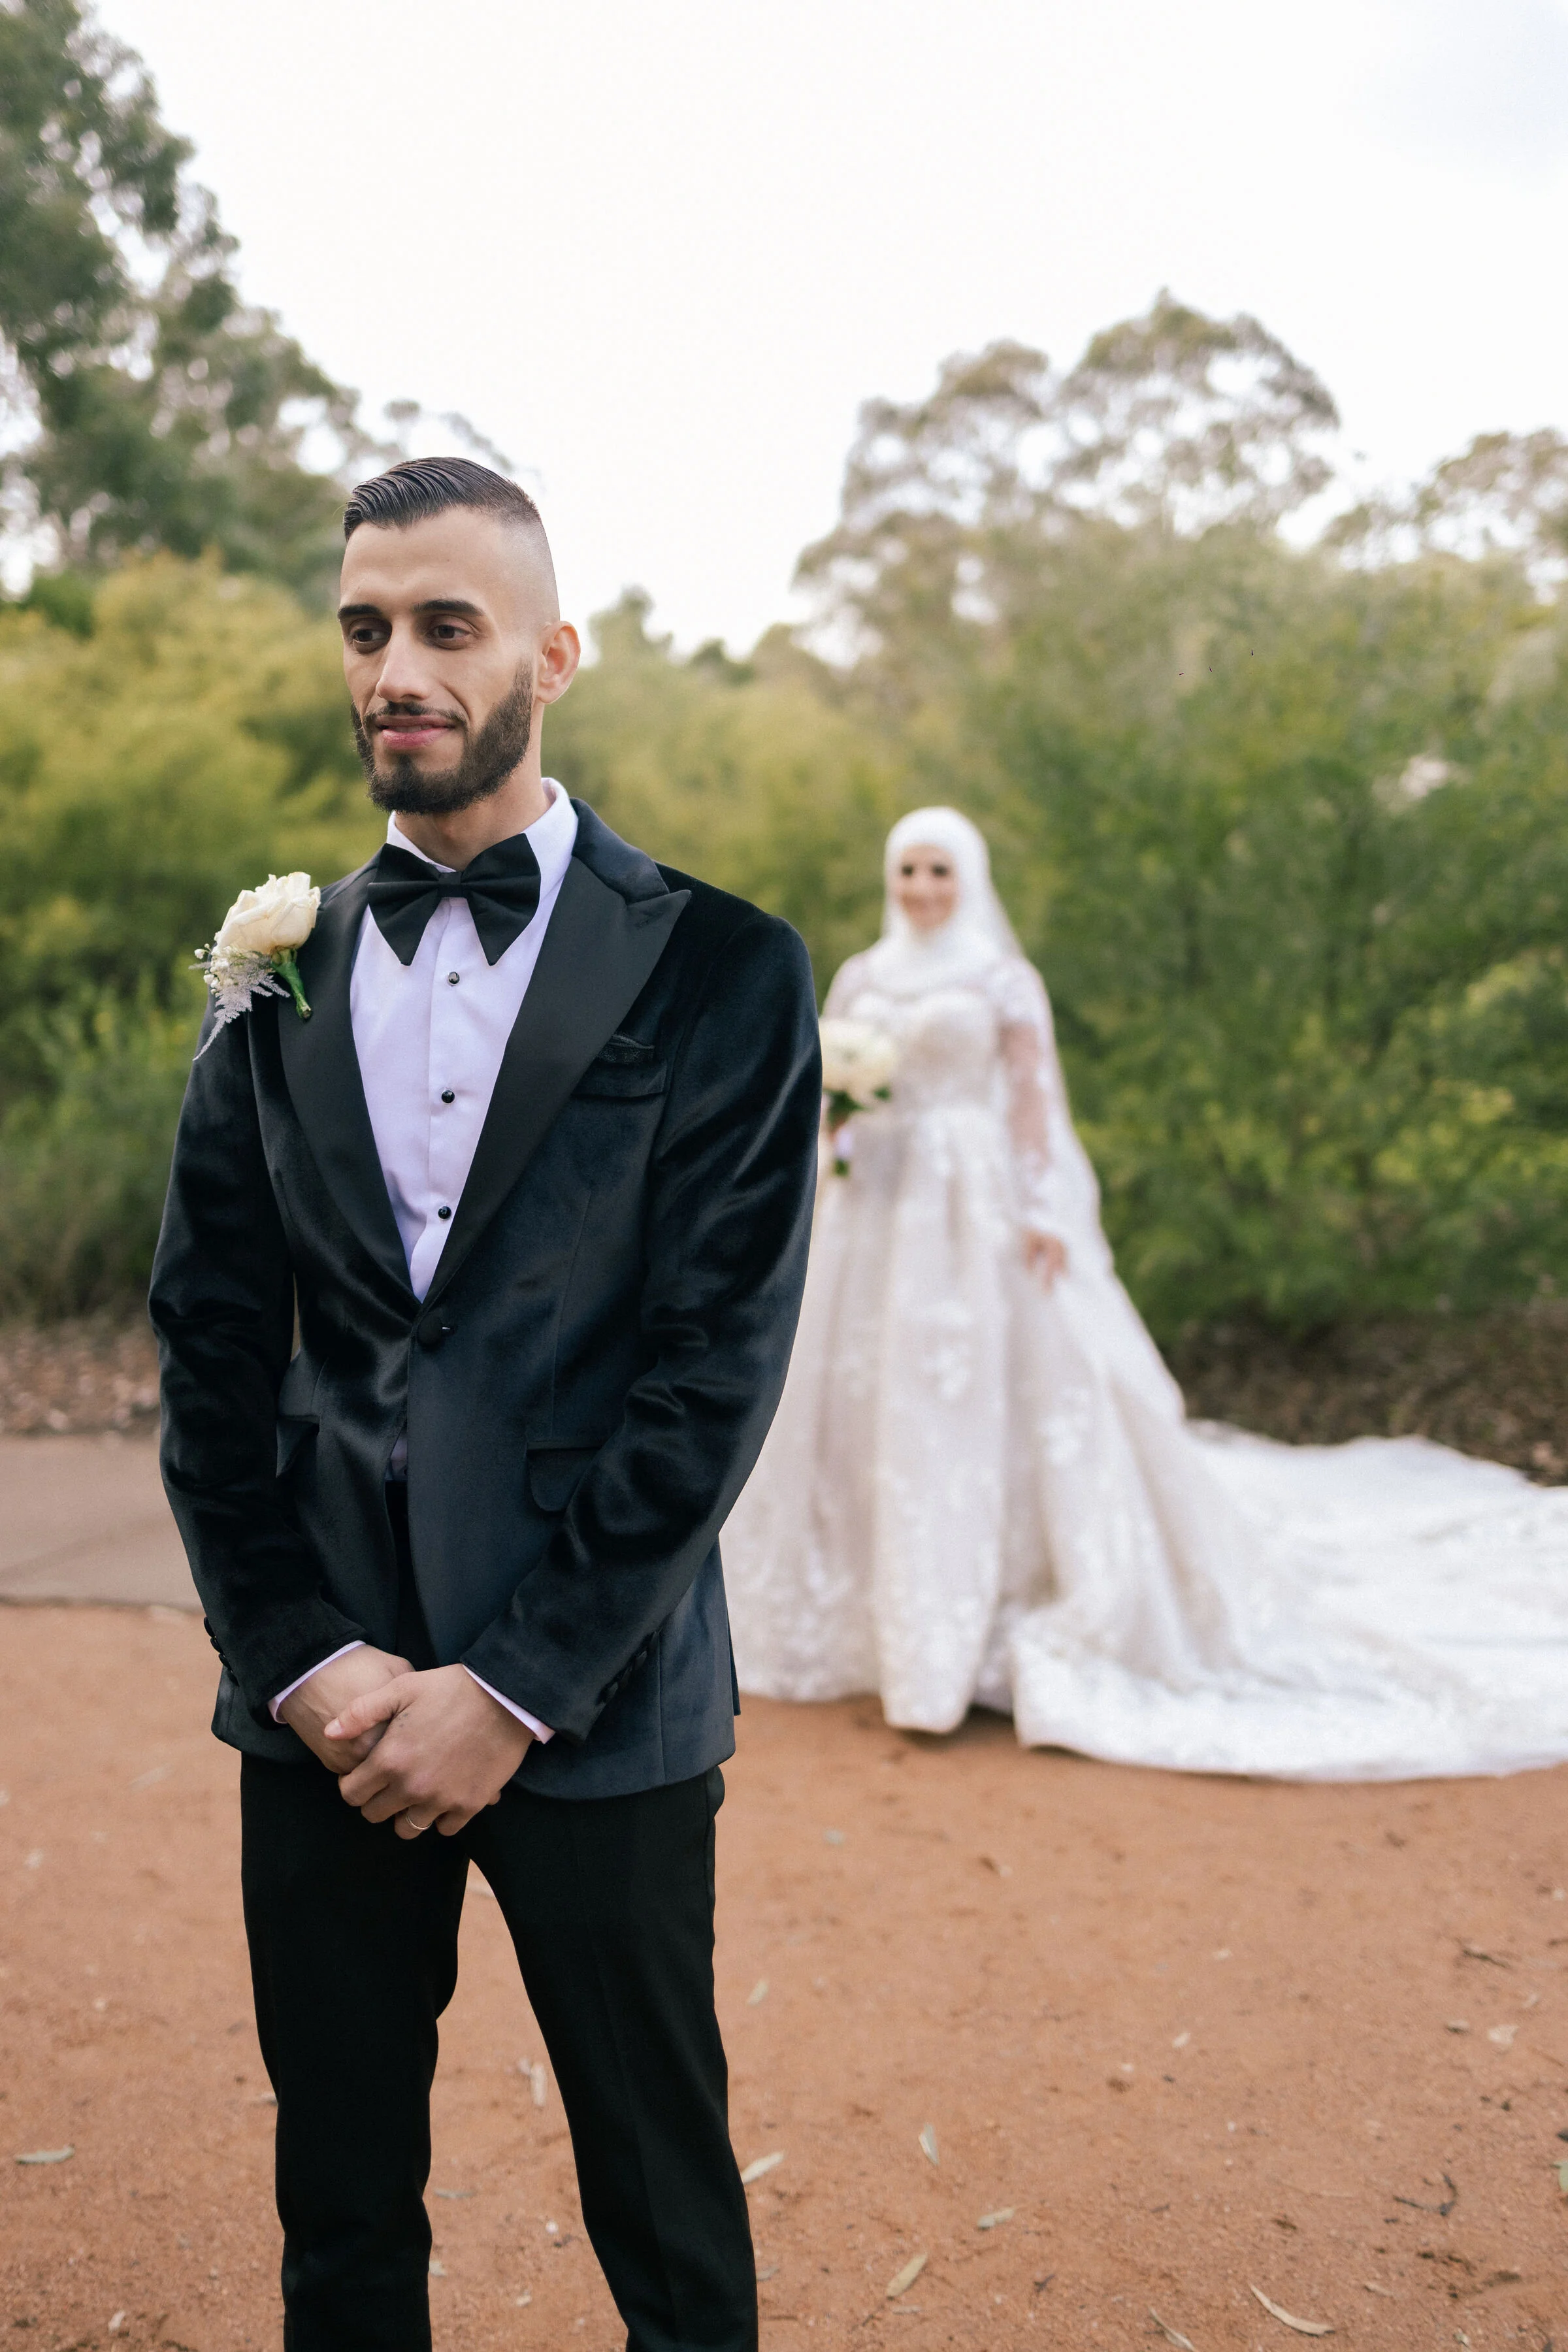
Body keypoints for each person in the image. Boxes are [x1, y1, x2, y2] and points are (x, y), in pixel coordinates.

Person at [150, 457, 821, 2352]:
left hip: (593, 1705)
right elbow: (208, 1353)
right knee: (343, 2212)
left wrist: (512, 1687)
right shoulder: (272, 972)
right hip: (328, 1716)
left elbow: (713, 1375)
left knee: (665, 2211)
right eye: (365, 627)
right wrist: (302, 1659)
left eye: (446, 625)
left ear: (554, 653)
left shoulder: (726, 971)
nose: (396, 668)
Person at [722, 806, 1568, 1779]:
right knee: (864, 1400)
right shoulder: (866, 975)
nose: (921, 888)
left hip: (974, 1205)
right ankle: (866, 1621)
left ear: (970, 878)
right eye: (909, 869)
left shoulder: (1003, 977)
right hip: (878, 1203)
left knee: (971, 1397)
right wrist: (835, 1141)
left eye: (940, 872)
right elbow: (830, 1090)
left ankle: (971, 1627)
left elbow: (1035, 1103)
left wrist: (1045, 1212)